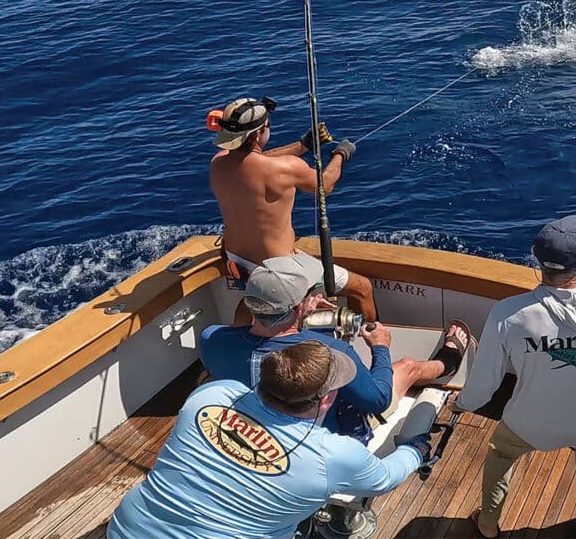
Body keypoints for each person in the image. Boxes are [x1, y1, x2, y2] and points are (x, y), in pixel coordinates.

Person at [452, 215, 576, 539]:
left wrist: (461, 403)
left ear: (536, 258)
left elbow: (484, 385)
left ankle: (488, 525)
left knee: (500, 455)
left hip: (529, 424)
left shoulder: (508, 314)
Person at [107, 341, 430, 539]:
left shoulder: (211, 395)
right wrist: (415, 450)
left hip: (127, 530)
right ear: (327, 400)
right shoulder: (333, 454)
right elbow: (385, 479)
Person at [201, 253, 473, 441]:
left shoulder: (211, 338)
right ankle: (446, 364)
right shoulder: (332, 352)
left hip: (256, 429)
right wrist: (380, 347)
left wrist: (301, 314)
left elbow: (269, 337)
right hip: (329, 434)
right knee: (407, 367)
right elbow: (377, 399)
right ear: (300, 306)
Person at [208, 96, 376, 321]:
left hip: (238, 261)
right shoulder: (287, 168)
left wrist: (303, 145)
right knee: (363, 288)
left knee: (253, 303)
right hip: (279, 270)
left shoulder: (217, 163)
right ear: (258, 134)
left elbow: (254, 158)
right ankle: (375, 339)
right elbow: (325, 185)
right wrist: (340, 155)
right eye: (267, 126)